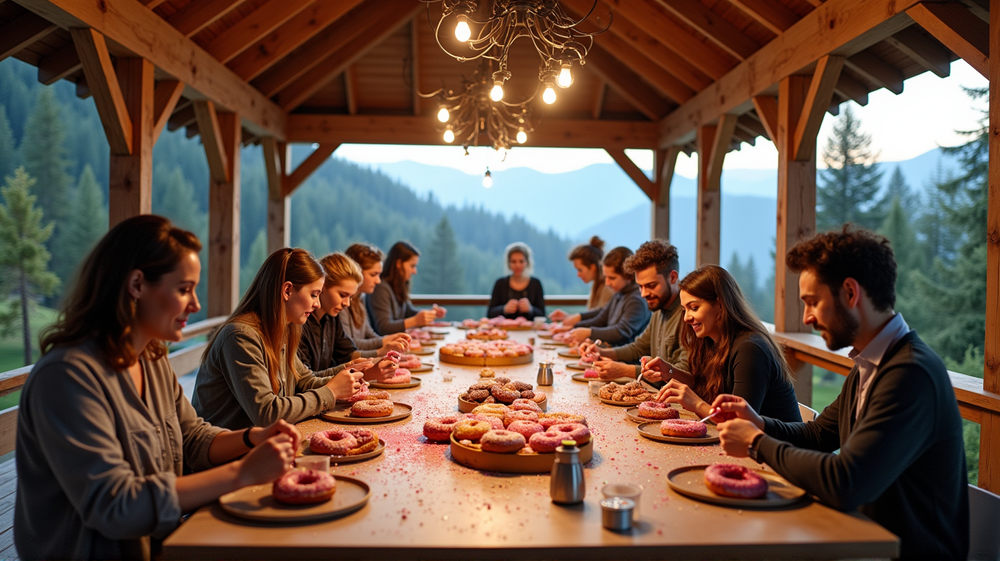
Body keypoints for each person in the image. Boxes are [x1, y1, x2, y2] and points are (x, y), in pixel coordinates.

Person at [14, 216, 299, 560]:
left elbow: (193, 437)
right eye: (183, 289)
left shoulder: (151, 357)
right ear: (136, 285)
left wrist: (253, 437)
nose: (195, 305)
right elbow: (114, 505)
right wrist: (242, 472)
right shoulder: (66, 378)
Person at [713, 227, 968, 560]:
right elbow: (819, 434)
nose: (806, 317)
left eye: (813, 302)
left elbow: (845, 483)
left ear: (850, 292)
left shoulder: (910, 374)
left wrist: (756, 443)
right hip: (858, 537)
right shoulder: (871, 360)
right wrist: (759, 423)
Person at [193, 248, 370, 430]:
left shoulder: (282, 328)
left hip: (264, 446)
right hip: (232, 455)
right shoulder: (240, 336)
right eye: (314, 294)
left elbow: (305, 382)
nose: (317, 303)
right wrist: (331, 391)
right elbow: (267, 414)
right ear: (287, 290)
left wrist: (348, 373)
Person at [642, 265, 801, 422]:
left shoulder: (750, 349)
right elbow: (703, 388)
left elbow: (738, 422)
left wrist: (696, 404)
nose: (686, 318)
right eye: (684, 310)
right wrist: (669, 372)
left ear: (720, 304)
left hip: (775, 445)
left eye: (694, 308)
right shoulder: (709, 340)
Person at [580, 239, 688, 384]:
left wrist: (625, 370)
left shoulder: (688, 314)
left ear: (673, 277)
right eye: (640, 286)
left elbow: (684, 374)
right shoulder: (658, 307)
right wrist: (601, 352)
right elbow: (638, 348)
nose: (643, 294)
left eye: (651, 285)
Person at [298, 253, 411, 375]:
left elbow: (348, 354)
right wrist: (369, 371)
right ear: (322, 287)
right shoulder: (302, 322)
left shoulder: (331, 318)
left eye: (351, 297)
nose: (347, 303)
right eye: (342, 295)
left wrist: (381, 353)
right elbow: (306, 380)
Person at [552, 246, 650, 346]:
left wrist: (588, 332)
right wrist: (574, 327)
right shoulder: (620, 293)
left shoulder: (636, 300)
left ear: (628, 275)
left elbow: (620, 331)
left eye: (612, 278)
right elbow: (601, 318)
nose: (607, 283)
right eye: (606, 277)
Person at [367, 241, 446, 334]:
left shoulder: (398, 285)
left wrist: (429, 314)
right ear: (399, 263)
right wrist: (415, 321)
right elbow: (383, 328)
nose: (415, 271)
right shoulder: (380, 288)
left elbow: (408, 312)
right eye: (412, 266)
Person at [343, 243, 409, 353]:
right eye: (373, 274)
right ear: (355, 273)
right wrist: (385, 341)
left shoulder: (360, 298)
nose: (378, 281)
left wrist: (389, 341)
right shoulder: (342, 304)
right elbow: (348, 344)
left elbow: (369, 334)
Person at [549, 236, 612, 321]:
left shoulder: (608, 287)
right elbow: (592, 317)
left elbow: (600, 320)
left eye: (580, 270)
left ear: (593, 267)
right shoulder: (596, 284)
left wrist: (574, 319)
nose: (578, 275)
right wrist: (568, 318)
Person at [487, 242, 545, 319]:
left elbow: (542, 314)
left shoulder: (536, 283)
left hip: (529, 330)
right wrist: (504, 309)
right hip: (504, 329)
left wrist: (531, 309)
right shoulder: (500, 283)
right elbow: (490, 313)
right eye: (513, 261)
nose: (517, 265)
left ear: (527, 262)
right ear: (508, 263)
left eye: (521, 261)